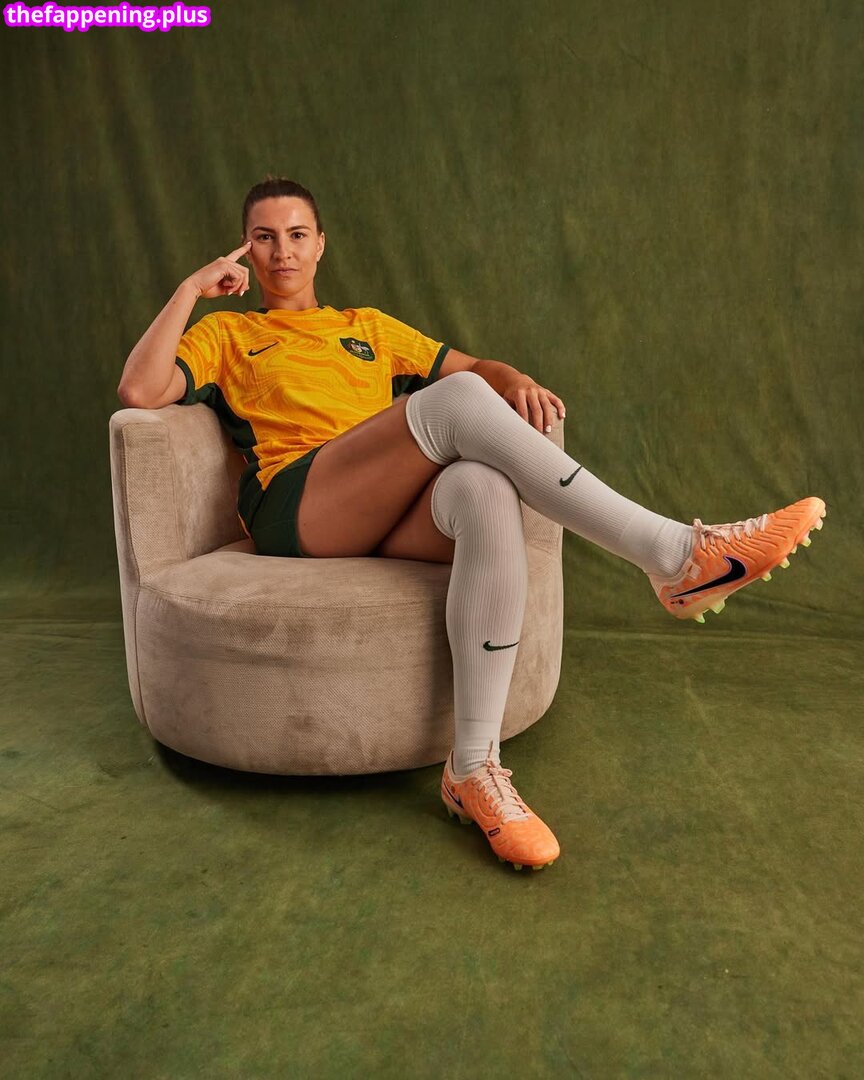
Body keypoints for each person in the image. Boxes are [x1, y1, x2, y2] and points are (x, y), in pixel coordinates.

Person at [118, 176, 827, 873]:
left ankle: (473, 768)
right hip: (296, 507)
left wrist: (511, 377)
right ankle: (673, 553)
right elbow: (140, 389)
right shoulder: (228, 333)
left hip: (372, 508)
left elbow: (476, 366)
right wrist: (191, 290)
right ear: (245, 248)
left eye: (297, 235)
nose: (282, 253)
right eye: (264, 238)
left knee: (483, 489)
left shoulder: (368, 327)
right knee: (456, 399)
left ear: (321, 244)